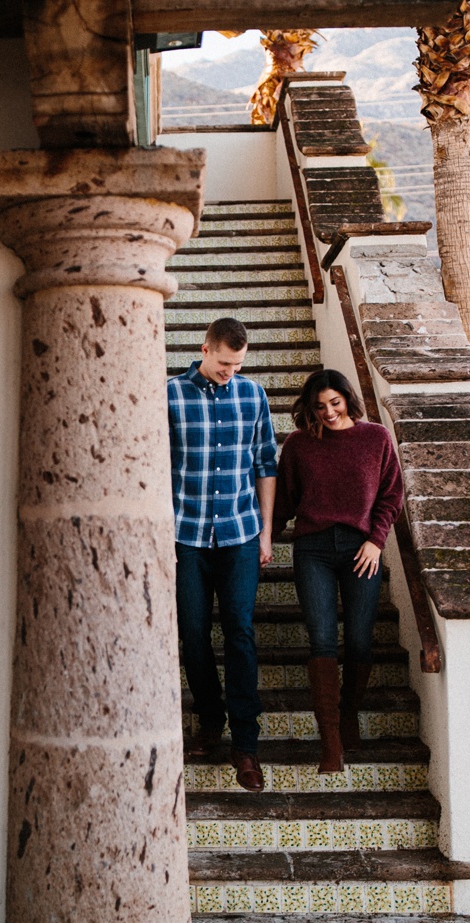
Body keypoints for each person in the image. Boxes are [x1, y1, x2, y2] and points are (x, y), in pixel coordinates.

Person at [272, 369, 404, 773]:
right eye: (319, 406)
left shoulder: (376, 438)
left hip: (360, 550)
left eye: (335, 403)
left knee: (360, 640)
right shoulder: (299, 445)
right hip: (312, 550)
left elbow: (391, 495)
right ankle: (330, 740)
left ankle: (348, 715)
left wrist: (376, 540)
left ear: (348, 398)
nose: (328, 412)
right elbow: (284, 501)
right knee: (323, 640)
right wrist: (263, 541)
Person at [168, 317, 277, 792]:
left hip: (240, 534)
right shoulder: (170, 396)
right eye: (224, 363)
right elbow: (153, 466)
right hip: (185, 536)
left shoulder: (253, 396)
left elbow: (266, 464)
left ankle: (246, 744)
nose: (230, 371)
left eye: (238, 364)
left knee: (240, 633)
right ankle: (210, 720)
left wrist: (266, 533)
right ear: (205, 349)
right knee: (193, 636)